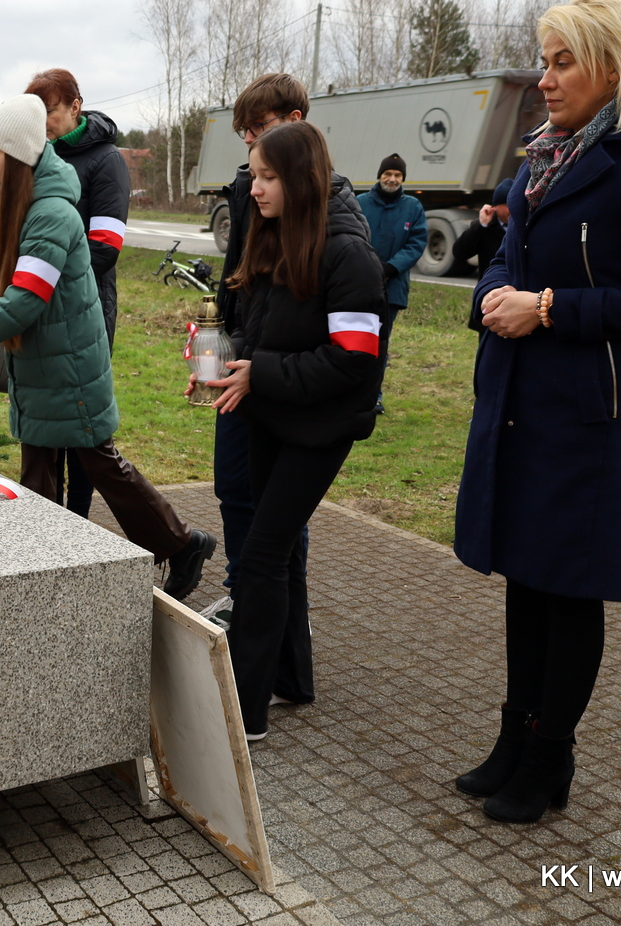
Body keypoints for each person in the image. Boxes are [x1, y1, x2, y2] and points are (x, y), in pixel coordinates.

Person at [453, 0, 621, 824]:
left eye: (564, 61)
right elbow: (509, 253)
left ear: (613, 64)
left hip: (592, 415)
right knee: (524, 578)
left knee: (570, 589)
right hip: (524, 401)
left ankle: (550, 755)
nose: (546, 76)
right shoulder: (545, 152)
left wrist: (551, 307)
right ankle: (512, 737)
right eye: (545, 58)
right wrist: (497, 293)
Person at [0, 95, 215, 596]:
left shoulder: (52, 215)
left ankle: (181, 542)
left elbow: (24, 303)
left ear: (19, 155)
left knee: (99, 462)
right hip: (41, 362)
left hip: (69, 365)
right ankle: (39, 569)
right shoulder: (10, 201)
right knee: (40, 464)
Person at [205, 121, 384, 742]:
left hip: (319, 429)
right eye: (253, 175)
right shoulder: (271, 236)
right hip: (269, 417)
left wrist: (264, 374)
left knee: (258, 560)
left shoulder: (348, 253)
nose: (254, 189)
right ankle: (291, 678)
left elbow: (356, 359)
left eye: (267, 177)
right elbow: (260, 333)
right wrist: (224, 365)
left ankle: (245, 712)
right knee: (274, 556)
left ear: (301, 180)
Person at [206, 73, 368, 630]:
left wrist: (262, 370)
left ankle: (255, 619)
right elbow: (246, 288)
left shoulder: (337, 226)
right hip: (249, 372)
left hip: (285, 394)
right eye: (245, 135)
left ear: (297, 124)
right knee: (235, 492)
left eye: (260, 130)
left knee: (273, 532)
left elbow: (351, 352)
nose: (251, 144)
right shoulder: (251, 189)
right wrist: (218, 344)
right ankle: (258, 618)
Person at [25, 68, 131, 522]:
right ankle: (49, 523)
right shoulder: (37, 156)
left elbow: (106, 248)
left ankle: (79, 521)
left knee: (83, 429)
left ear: (75, 106)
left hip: (85, 307)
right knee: (47, 425)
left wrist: (47, 276)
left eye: (49, 111)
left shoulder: (106, 162)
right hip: (41, 306)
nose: (43, 121)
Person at [356, 153, 426, 411]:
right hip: (358, 284)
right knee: (353, 338)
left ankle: (373, 395)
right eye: (388, 174)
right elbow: (350, 235)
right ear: (380, 175)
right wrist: (365, 267)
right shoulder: (360, 202)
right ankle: (350, 390)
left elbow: (417, 243)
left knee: (379, 343)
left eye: (397, 175)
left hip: (391, 287)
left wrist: (391, 267)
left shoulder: (413, 208)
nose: (392, 179)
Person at [454, 178, 513, 278]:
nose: (512, 209)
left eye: (515, 204)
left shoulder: (525, 226)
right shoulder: (484, 227)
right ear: (494, 207)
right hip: (490, 284)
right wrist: (481, 225)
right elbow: (460, 253)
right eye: (507, 205)